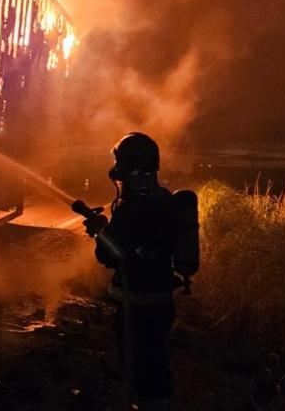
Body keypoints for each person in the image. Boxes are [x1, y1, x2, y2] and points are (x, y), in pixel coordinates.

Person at [83, 132, 196, 411]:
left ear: (128, 171)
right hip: (161, 302)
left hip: (137, 305)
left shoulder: (133, 208)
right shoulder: (165, 199)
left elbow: (110, 254)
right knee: (154, 366)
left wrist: (99, 231)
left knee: (143, 370)